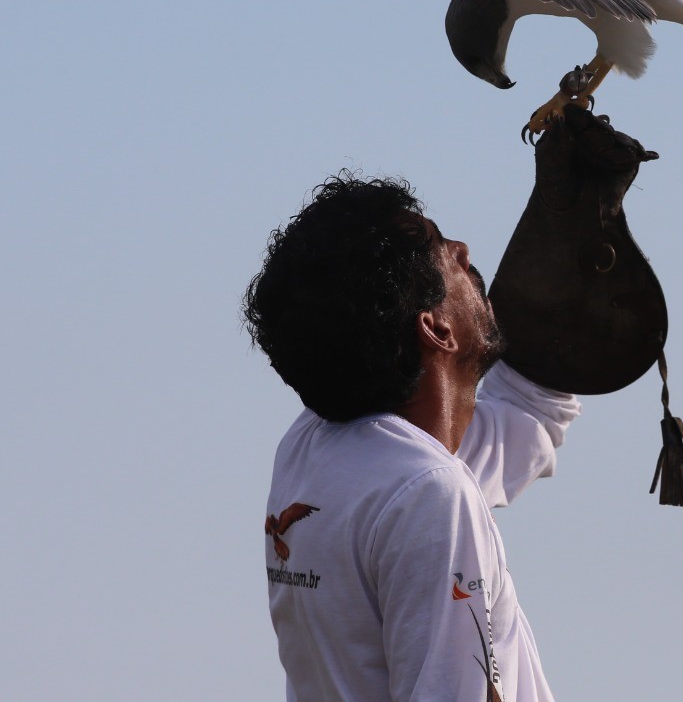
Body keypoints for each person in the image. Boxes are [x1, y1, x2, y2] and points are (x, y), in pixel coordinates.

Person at [244, 173, 580, 702]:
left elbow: (514, 430)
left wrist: (568, 234)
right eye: (447, 253)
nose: (465, 250)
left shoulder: (314, 446)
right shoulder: (428, 492)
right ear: (436, 329)